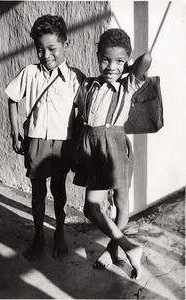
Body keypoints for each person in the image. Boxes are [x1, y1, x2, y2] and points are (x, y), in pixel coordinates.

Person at [5, 14, 85, 260]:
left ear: (65, 45)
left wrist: (78, 145)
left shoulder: (75, 78)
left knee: (59, 190)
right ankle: (39, 236)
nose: (46, 55)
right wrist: (15, 129)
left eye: (52, 48)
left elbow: (82, 113)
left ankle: (59, 232)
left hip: (63, 143)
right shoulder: (30, 73)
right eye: (40, 50)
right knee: (38, 191)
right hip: (36, 140)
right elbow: (12, 98)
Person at [73, 28, 152, 280]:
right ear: (97, 56)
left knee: (120, 202)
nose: (111, 66)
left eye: (119, 61)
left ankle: (113, 248)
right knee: (91, 208)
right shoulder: (88, 84)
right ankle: (130, 247)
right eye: (106, 59)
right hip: (92, 148)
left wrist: (126, 69)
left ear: (127, 61)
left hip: (115, 146)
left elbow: (147, 58)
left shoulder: (127, 85)